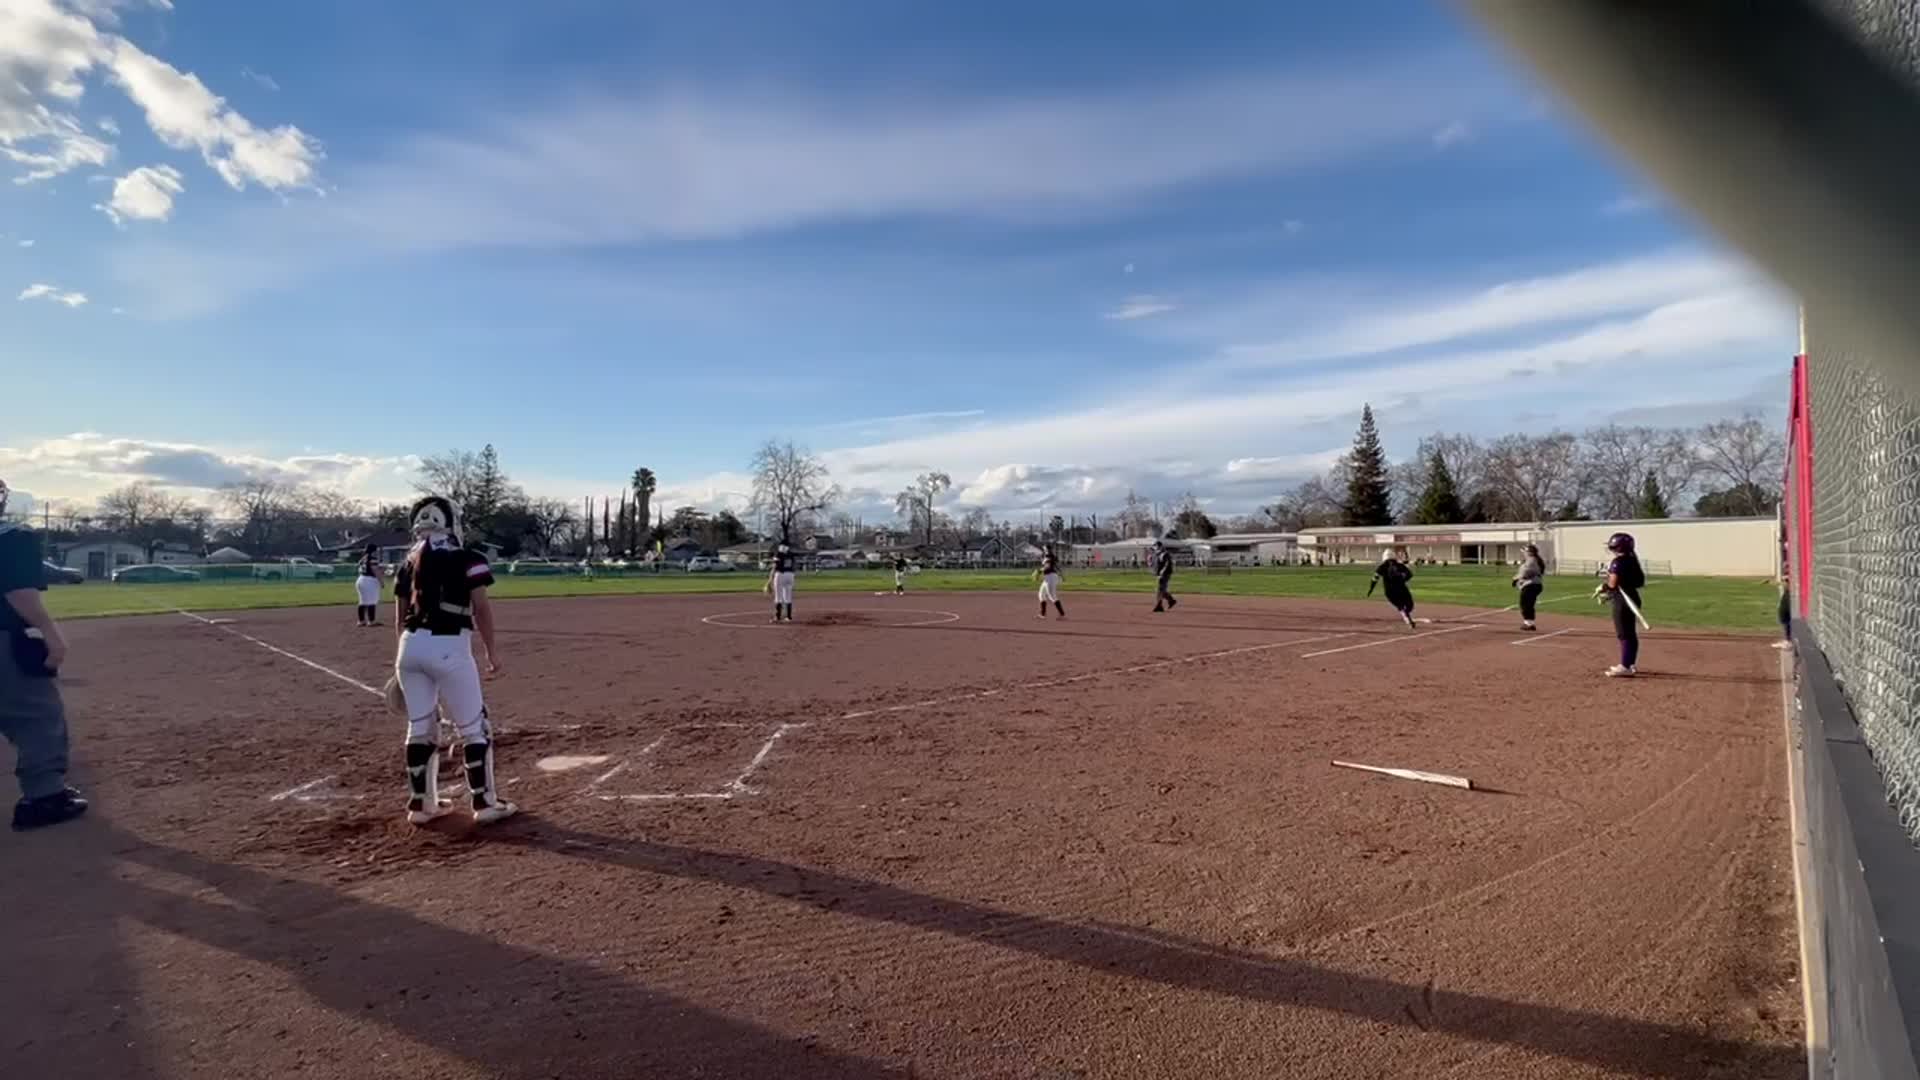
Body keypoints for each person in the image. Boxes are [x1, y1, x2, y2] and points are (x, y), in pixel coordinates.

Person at [392, 495, 514, 825]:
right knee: (475, 727)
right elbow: (482, 608)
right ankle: (485, 802)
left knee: (420, 728)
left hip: (409, 647)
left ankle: (421, 805)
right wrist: (491, 651)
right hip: (449, 646)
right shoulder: (467, 558)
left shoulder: (408, 561)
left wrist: (400, 658)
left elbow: (401, 615)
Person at [0, 478, 87, 831]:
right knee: (37, 714)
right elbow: (19, 592)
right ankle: (44, 797)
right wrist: (52, 635)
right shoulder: (11, 535)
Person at [1595, 532, 1647, 678]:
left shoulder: (1619, 562)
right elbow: (1639, 582)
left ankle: (1625, 666)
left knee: (1624, 633)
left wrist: (1605, 587)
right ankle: (1629, 663)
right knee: (1630, 633)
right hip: (1632, 597)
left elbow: (1612, 584)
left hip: (1623, 600)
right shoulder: (1632, 559)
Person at [1368, 547, 1418, 629]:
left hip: (1389, 591)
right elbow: (1409, 574)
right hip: (1402, 588)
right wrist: (1403, 579)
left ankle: (1405, 616)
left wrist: (1371, 589)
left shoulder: (1382, 567)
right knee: (1409, 605)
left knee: (1400, 606)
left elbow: (1375, 578)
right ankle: (1406, 614)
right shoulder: (1399, 565)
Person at [1513, 543, 1546, 631]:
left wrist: (1516, 578)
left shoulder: (1531, 560)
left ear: (1529, 552)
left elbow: (1526, 572)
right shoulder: (1530, 560)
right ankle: (1529, 623)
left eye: (1525, 551)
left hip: (1531, 585)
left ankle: (1528, 623)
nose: (1523, 553)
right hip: (1532, 585)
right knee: (1528, 604)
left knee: (1525, 604)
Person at [767, 542, 797, 623]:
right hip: (790, 575)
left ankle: (777, 617)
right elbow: (794, 566)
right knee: (788, 597)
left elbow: (774, 567)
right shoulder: (791, 554)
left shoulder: (779, 554)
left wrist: (769, 582)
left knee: (778, 596)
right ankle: (789, 617)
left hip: (780, 574)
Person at [354, 543, 382, 627]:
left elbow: (359, 566)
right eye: (376, 550)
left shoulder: (363, 558)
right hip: (369, 580)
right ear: (373, 550)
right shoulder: (373, 558)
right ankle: (371, 621)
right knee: (371, 601)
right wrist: (381, 582)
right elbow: (375, 571)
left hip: (361, 579)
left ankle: (361, 620)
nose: (377, 552)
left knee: (363, 601)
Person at [1035, 544, 1066, 619]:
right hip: (1047, 578)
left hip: (1051, 577)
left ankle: (1062, 614)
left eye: (1045, 549)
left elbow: (1048, 567)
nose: (1044, 550)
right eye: (1044, 549)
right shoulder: (1048, 556)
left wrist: (1039, 571)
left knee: (1052, 596)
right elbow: (1056, 567)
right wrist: (1062, 575)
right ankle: (1043, 614)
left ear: (1048, 549)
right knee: (1041, 595)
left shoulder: (1050, 556)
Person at [1150, 539, 1178, 613]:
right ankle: (1171, 600)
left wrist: (1162, 572)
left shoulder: (1164, 554)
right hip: (1159, 574)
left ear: (1160, 546)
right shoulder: (1156, 554)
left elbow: (1167, 564)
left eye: (1156, 546)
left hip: (1165, 574)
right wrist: (1150, 562)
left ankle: (1159, 605)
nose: (1155, 548)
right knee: (1162, 590)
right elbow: (1154, 564)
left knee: (1159, 589)